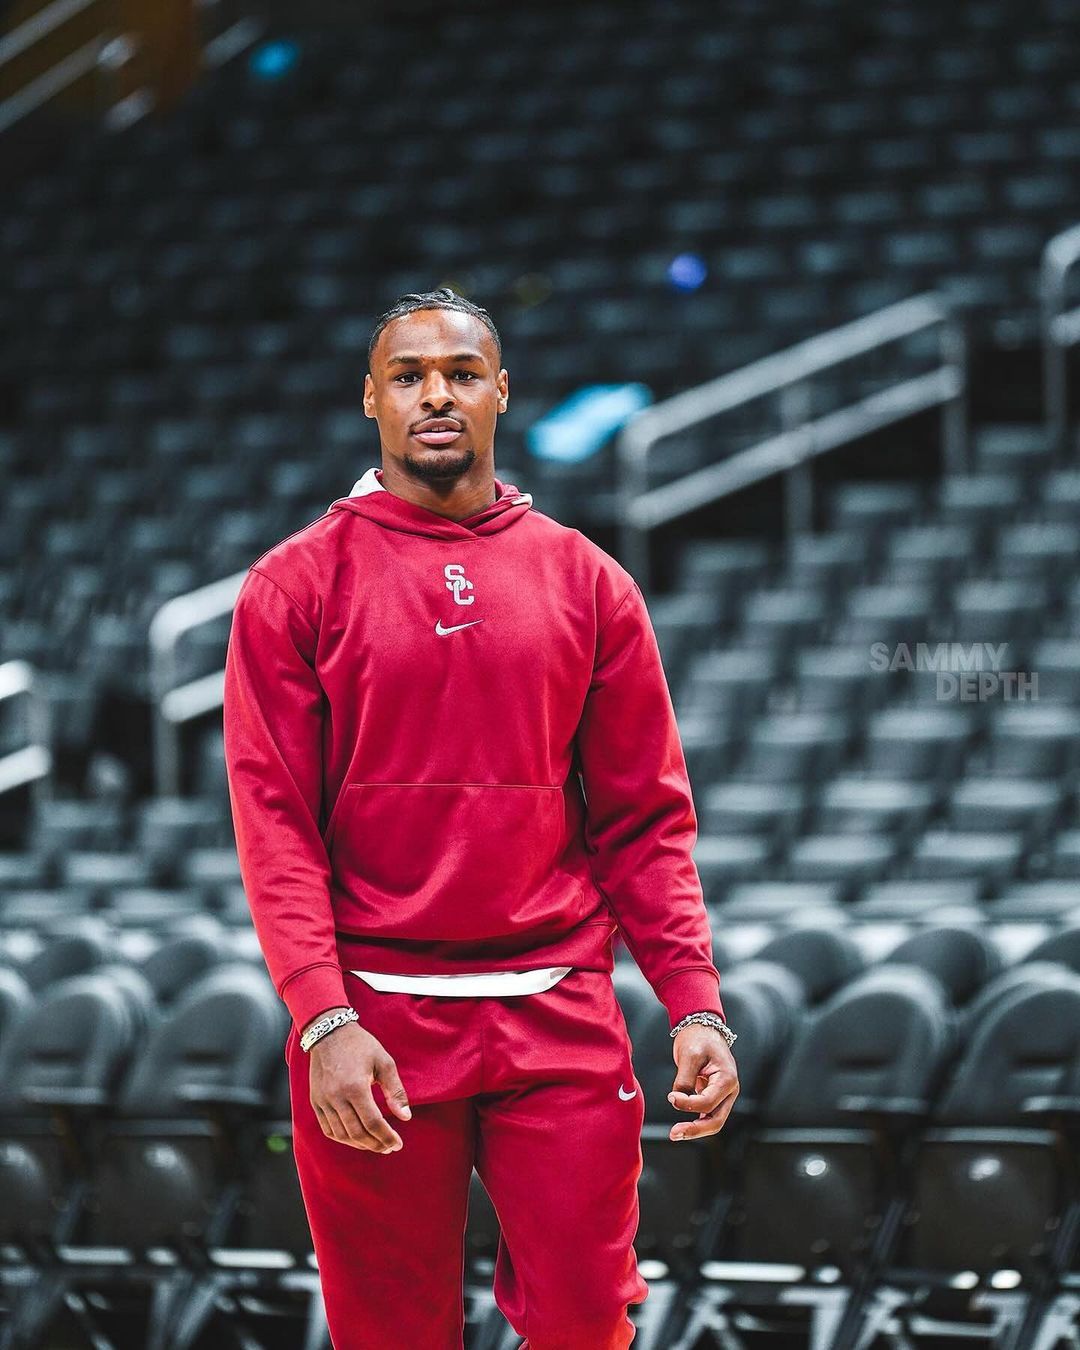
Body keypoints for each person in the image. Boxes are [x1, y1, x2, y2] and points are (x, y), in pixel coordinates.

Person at [222, 287, 740, 1350]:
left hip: (558, 1015)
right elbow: (273, 824)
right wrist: (323, 1017)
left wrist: (694, 1002)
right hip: (374, 1024)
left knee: (589, 1323)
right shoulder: (293, 586)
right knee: (390, 1333)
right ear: (371, 399)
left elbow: (646, 820)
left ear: (500, 391)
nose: (436, 395)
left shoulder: (588, 581)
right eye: (408, 376)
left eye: (461, 372)